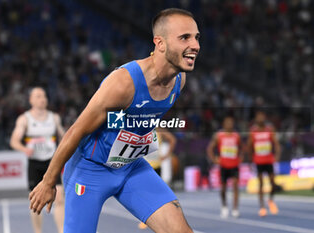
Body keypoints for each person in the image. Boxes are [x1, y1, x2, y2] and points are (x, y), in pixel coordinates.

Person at [29, 8, 200, 233]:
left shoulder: (180, 80)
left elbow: (137, 120)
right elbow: (77, 130)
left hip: (131, 168)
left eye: (197, 37)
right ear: (160, 43)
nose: (195, 45)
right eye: (184, 37)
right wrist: (48, 182)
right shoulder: (123, 83)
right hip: (90, 169)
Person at [10, 87, 65, 233]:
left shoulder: (54, 118)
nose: (43, 99)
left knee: (59, 197)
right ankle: (38, 231)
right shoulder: (24, 119)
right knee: (36, 202)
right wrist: (24, 149)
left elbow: (65, 137)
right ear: (31, 100)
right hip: (35, 164)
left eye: (44, 96)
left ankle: (62, 230)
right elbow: (14, 141)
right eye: (39, 96)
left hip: (51, 163)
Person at [139, 128, 177, 229]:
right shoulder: (140, 127)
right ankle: (146, 218)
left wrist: (167, 155)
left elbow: (172, 139)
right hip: (143, 166)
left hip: (156, 166)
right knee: (144, 193)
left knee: (156, 194)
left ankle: (159, 217)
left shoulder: (159, 130)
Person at [207, 116, 243, 218]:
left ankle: (235, 208)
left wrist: (241, 157)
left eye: (231, 122)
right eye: (227, 123)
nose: (230, 125)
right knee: (223, 188)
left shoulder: (236, 135)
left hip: (234, 165)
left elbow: (242, 148)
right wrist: (214, 159)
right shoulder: (219, 135)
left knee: (235, 186)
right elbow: (210, 148)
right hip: (223, 165)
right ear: (224, 124)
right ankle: (224, 206)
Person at [247, 110, 281, 217]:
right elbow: (249, 147)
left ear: (265, 117)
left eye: (262, 116)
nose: (260, 118)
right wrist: (250, 160)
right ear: (256, 119)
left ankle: (270, 200)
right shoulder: (253, 131)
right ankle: (262, 207)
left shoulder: (269, 129)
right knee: (261, 184)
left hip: (269, 160)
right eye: (258, 116)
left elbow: (276, 144)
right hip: (258, 161)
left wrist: (277, 156)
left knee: (273, 183)